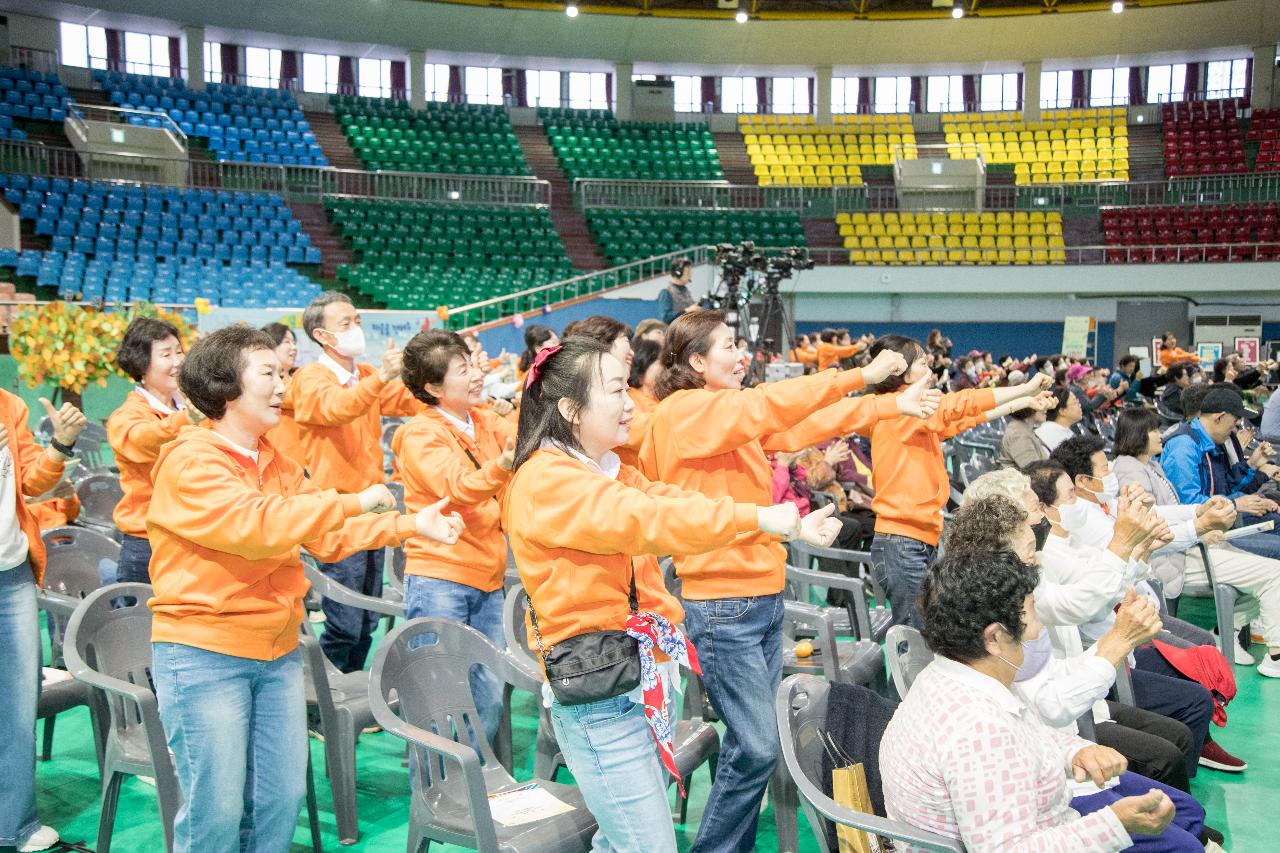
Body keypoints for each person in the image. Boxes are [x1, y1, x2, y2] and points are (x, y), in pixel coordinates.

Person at [147, 325, 462, 853]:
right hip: (203, 654)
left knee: (279, 797)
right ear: (225, 387)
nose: (282, 385)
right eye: (268, 374)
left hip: (277, 652)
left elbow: (326, 537)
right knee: (216, 810)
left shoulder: (277, 461)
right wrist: (357, 500)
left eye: (283, 373)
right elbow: (258, 524)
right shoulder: (191, 460)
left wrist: (408, 526)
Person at [638, 310, 940, 853]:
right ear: (696, 361)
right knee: (755, 746)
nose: (742, 354)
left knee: (754, 745)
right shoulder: (686, 411)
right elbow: (769, 404)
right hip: (722, 601)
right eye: (728, 345)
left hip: (756, 595)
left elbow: (802, 425)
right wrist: (859, 375)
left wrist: (890, 403)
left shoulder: (723, 416)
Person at [502, 336, 811, 853]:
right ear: (571, 410)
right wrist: (756, 517)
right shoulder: (548, 481)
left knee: (621, 837)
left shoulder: (601, 469)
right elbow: (651, 519)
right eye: (617, 390)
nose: (631, 404)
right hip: (603, 695)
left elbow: (668, 499)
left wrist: (761, 523)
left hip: (637, 673)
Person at [881, 550, 1204, 852]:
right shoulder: (979, 731)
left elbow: (1024, 730)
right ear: (994, 637)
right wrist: (1114, 825)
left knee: (1186, 811)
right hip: (1038, 830)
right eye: (1032, 610)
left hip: (1040, 811)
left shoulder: (950, 676)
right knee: (1185, 842)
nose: (1038, 627)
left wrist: (1075, 750)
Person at [948, 488, 1199, 794]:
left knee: (1180, 737)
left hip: (1071, 713)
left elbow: (1054, 669)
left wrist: (1119, 637)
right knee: (1169, 755)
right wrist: (1119, 641)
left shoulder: (1021, 581)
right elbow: (1049, 706)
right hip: (1058, 739)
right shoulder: (1000, 612)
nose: (1040, 519)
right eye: (1033, 508)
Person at [1027, 458, 1246, 775]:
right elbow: (1088, 601)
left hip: (1115, 641)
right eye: (1070, 494)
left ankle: (1197, 751)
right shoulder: (1047, 556)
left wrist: (1141, 549)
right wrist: (1133, 546)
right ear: (1045, 508)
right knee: (1190, 705)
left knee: (1201, 654)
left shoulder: (1072, 537)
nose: (1111, 478)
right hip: (1106, 654)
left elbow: (1112, 580)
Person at [854, 333, 1051, 629]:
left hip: (915, 540)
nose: (929, 368)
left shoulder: (905, 412)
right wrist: (1022, 388)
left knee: (927, 635)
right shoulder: (901, 409)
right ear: (899, 370)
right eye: (921, 362)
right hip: (903, 543)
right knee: (918, 641)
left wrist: (1021, 400)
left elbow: (964, 417)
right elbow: (960, 405)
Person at [284, 291, 423, 673]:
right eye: (345, 324)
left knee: (367, 618)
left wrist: (438, 378)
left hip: (374, 507)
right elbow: (336, 408)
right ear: (322, 336)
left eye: (357, 321)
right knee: (343, 619)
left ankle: (351, 687)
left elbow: (412, 400)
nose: (355, 329)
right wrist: (381, 377)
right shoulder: (310, 379)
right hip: (338, 510)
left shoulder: (363, 377)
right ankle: (324, 702)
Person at [392, 329, 516, 742]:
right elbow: (457, 486)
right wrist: (504, 463)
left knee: (488, 696)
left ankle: (475, 792)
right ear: (433, 388)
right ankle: (440, 796)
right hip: (440, 579)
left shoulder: (482, 419)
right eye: (462, 370)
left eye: (473, 364)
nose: (476, 375)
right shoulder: (419, 434)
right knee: (442, 700)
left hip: (488, 577)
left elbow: (523, 436)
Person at [1, 392, 86, 853]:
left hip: (11, 573)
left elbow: (31, 483)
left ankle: (13, 825)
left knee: (16, 705)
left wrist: (62, 443)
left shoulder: (7, 406)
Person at [107, 317, 203, 584]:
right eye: (166, 354)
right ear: (141, 365)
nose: (178, 361)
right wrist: (188, 420)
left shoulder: (187, 405)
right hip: (147, 542)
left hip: (193, 535)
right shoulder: (127, 415)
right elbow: (143, 440)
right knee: (144, 625)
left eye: (179, 351)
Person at [1161, 387, 1280, 564]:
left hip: (1219, 522)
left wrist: (1252, 468)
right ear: (1220, 417)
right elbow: (1187, 505)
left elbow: (1225, 486)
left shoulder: (1209, 441)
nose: (1237, 425)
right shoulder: (1184, 447)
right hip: (1201, 539)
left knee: (1275, 520)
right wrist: (1235, 504)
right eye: (1235, 419)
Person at [261, 322, 306, 470]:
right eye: (287, 342)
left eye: (294, 342)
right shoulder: (263, 384)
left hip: (309, 461)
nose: (294, 348)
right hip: (279, 459)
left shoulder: (301, 377)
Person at [996, 396, 1051, 469]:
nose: (1045, 405)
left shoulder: (1024, 428)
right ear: (1026, 405)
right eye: (1039, 400)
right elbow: (1035, 472)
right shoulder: (1018, 434)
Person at [1035, 384, 1082, 452]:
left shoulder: (1064, 430)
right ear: (1062, 411)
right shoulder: (1049, 434)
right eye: (1075, 402)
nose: (1079, 405)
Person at [657, 257, 696, 324]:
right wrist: (687, 311)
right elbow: (666, 317)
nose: (690, 275)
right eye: (688, 272)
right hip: (675, 332)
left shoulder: (686, 291)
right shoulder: (666, 292)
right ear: (678, 272)